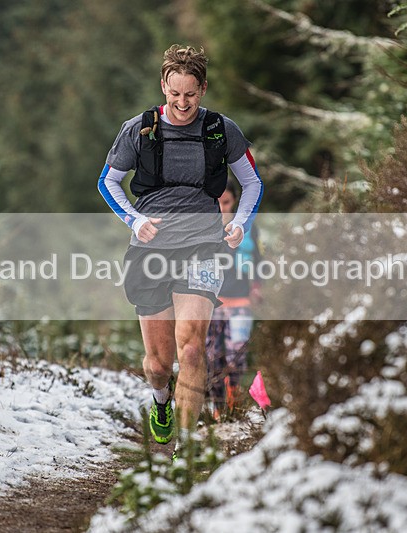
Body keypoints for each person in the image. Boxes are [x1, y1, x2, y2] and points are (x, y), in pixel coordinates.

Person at [98, 44, 263, 455]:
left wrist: (239, 224)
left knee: (191, 349)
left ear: (203, 89)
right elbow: (108, 181)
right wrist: (135, 221)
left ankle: (184, 452)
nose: (183, 103)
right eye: (175, 94)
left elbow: (252, 183)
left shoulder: (221, 130)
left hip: (204, 245)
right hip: (151, 249)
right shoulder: (139, 129)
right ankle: (161, 400)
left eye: (190, 94)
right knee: (158, 364)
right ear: (163, 86)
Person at [205, 179, 262, 421]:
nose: (222, 208)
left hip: (240, 303)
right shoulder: (204, 227)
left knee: (236, 356)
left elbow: (258, 259)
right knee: (212, 358)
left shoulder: (248, 227)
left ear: (235, 201)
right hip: (211, 303)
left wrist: (257, 286)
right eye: (217, 202)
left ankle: (233, 402)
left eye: (226, 202)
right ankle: (217, 410)